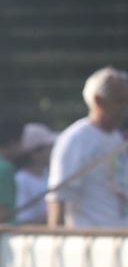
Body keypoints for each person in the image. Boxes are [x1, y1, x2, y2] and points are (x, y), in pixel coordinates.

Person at [48, 67, 128, 229]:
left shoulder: (117, 138)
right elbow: (59, 195)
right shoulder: (76, 139)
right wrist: (56, 242)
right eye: (120, 100)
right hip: (92, 241)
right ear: (99, 101)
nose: (125, 107)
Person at [14, 123, 57, 224]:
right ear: (35, 153)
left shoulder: (50, 174)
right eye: (48, 147)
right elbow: (24, 222)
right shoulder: (20, 180)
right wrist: (56, 212)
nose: (52, 150)